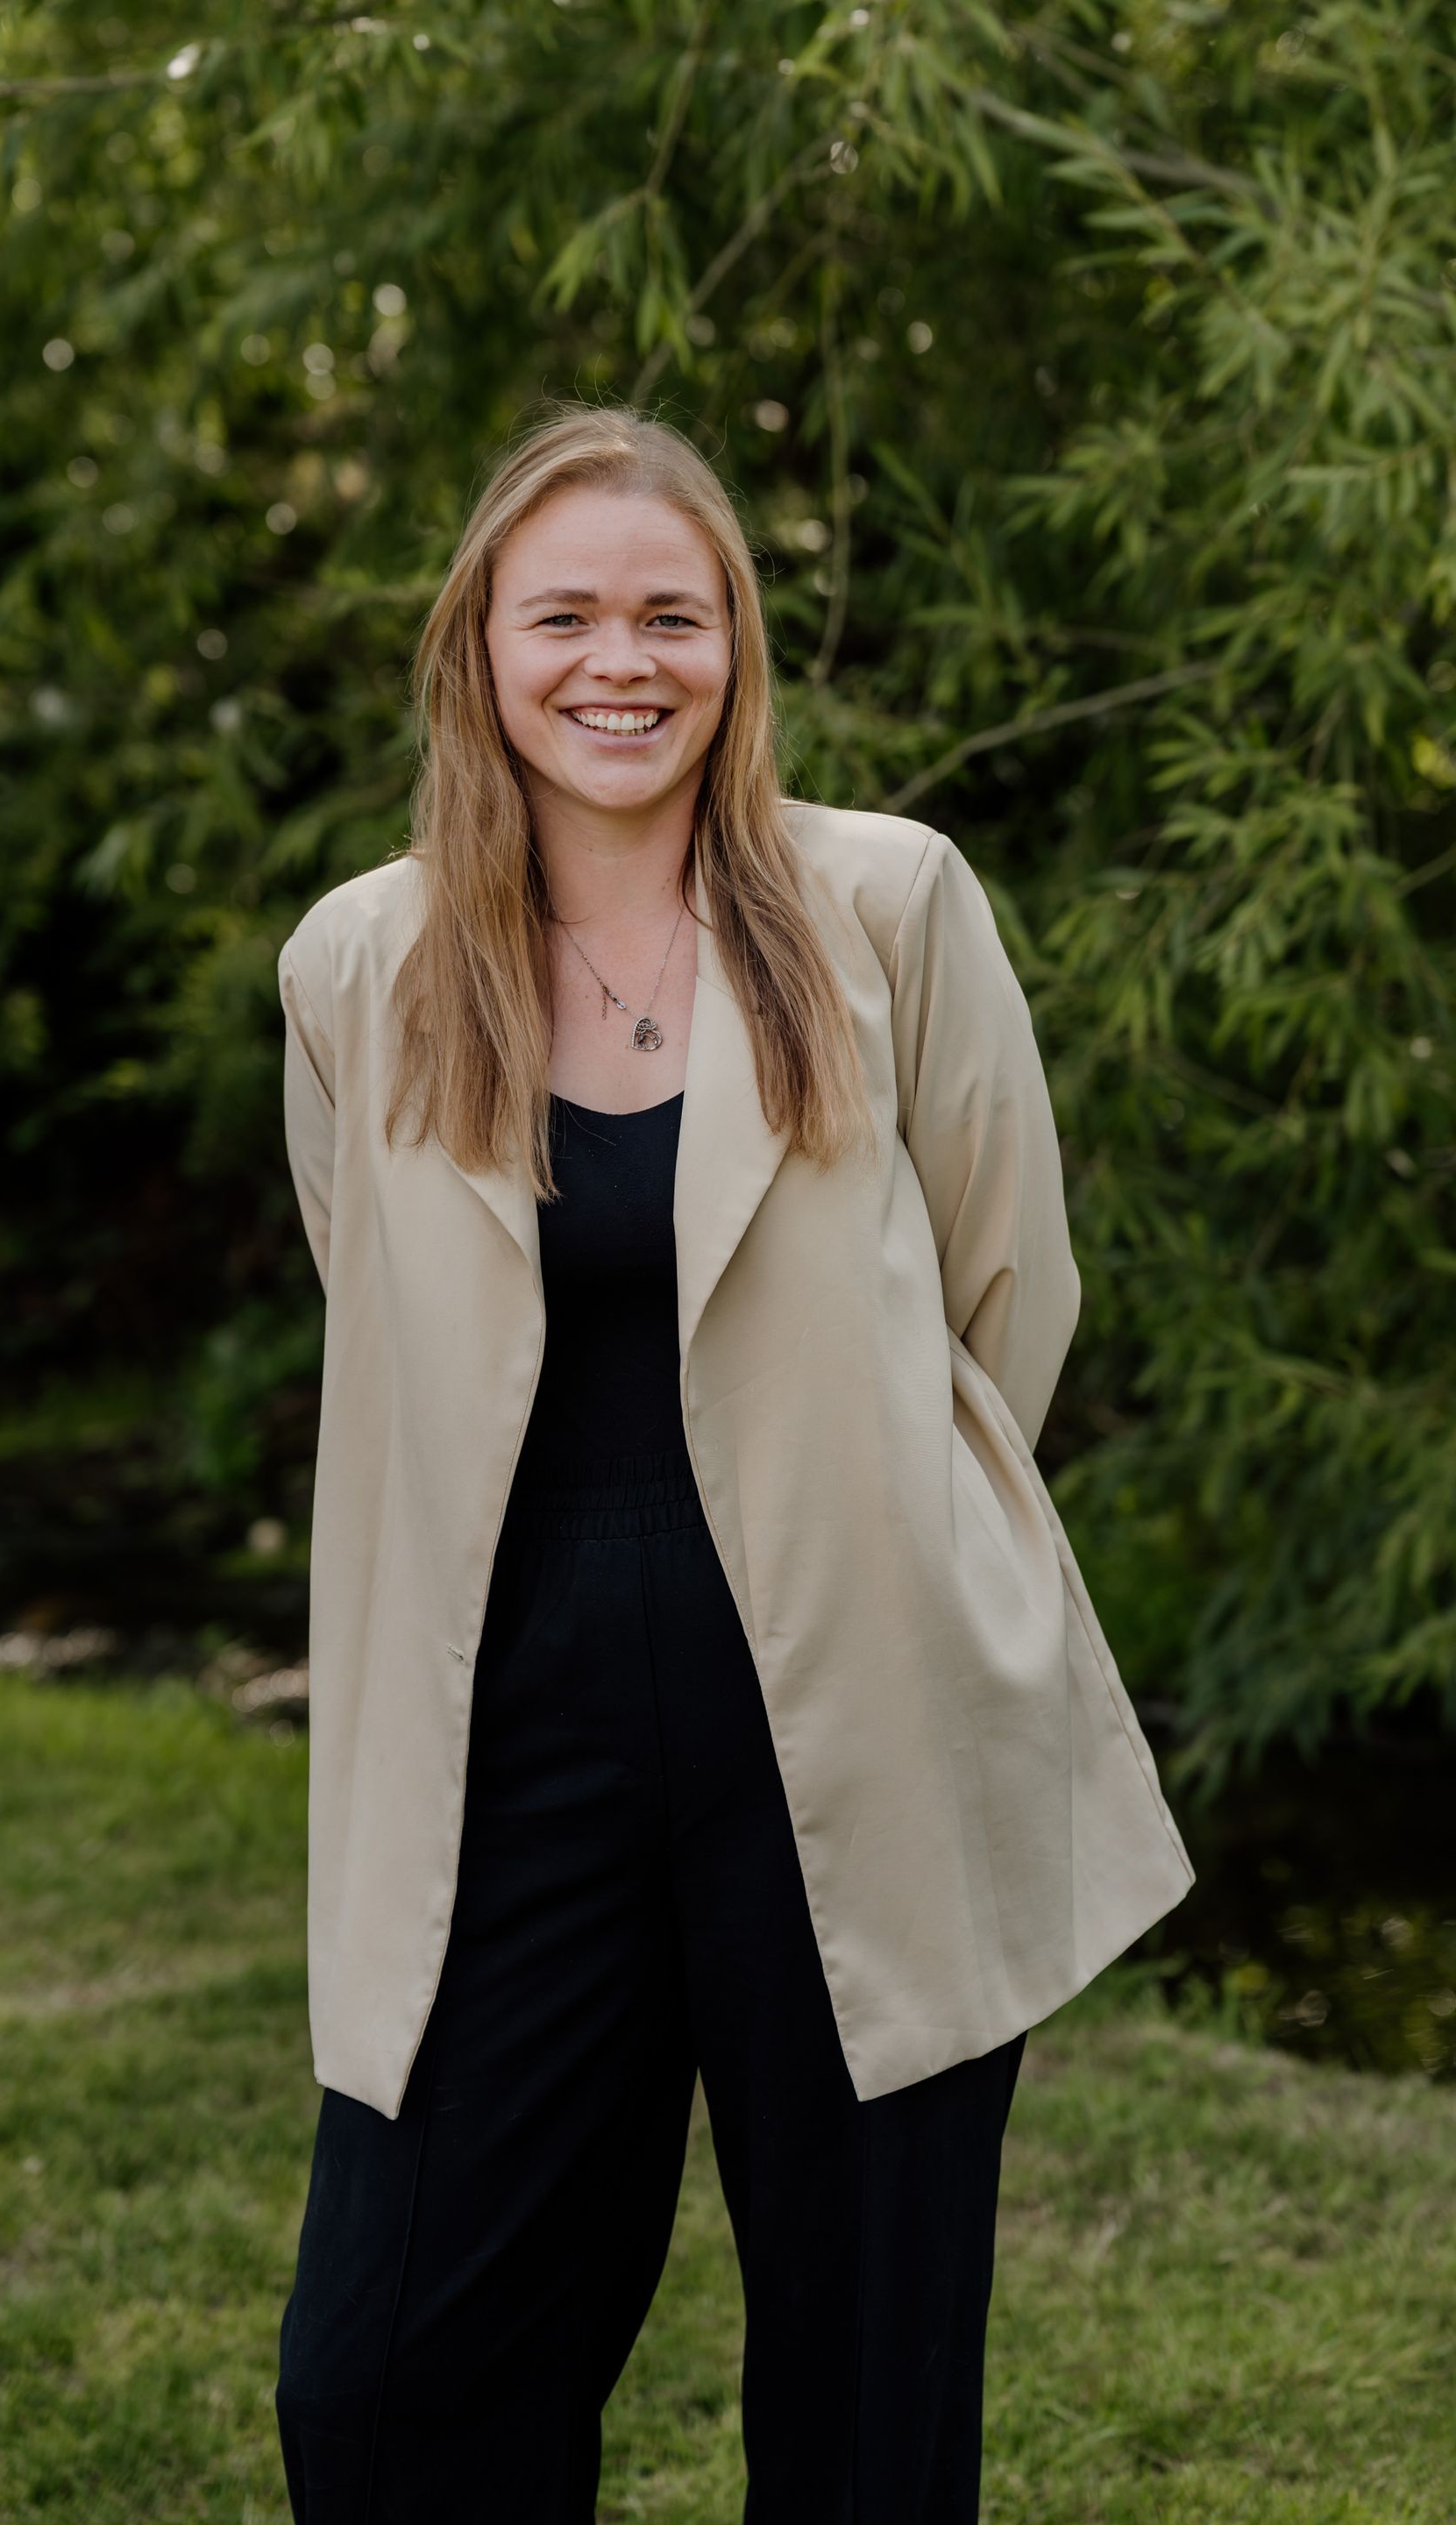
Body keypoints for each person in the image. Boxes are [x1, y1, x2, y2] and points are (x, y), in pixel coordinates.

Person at [271, 402, 1194, 2521]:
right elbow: (388, 1319)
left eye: (671, 615)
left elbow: (1001, 1292)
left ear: (736, 647)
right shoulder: (365, 960)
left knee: (868, 2414)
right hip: (508, 1750)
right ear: (479, 647)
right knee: (389, 2382)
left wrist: (872, 1528)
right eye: (567, 613)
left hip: (861, 1722)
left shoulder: (889, 907)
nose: (623, 661)